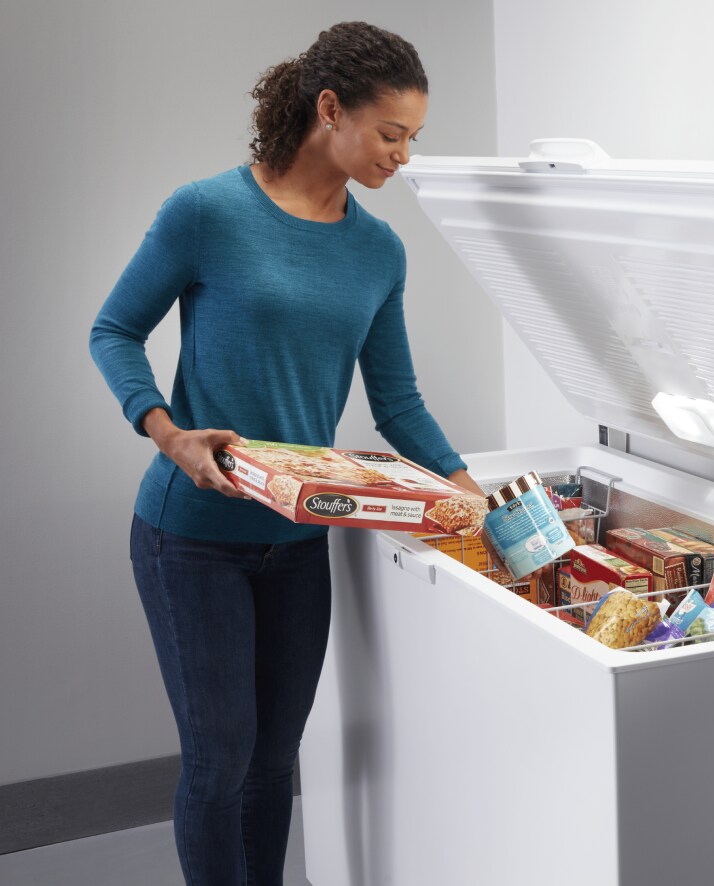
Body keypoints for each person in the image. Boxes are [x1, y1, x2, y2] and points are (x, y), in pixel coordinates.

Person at [88, 22, 480, 886]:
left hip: (302, 540)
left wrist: (466, 490)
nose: (403, 156)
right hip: (190, 536)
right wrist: (166, 430)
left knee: (274, 763)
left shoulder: (379, 249)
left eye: (414, 137)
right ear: (329, 110)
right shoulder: (207, 212)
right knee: (220, 761)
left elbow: (397, 401)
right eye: (391, 134)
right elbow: (114, 330)